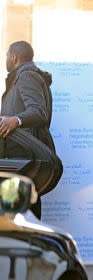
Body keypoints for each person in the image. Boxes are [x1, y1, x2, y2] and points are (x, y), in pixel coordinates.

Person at [1, 41, 55, 219]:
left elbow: (39, 112)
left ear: (13, 57)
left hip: (22, 159)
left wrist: (15, 120)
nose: (6, 60)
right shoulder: (24, 76)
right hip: (20, 159)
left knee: (19, 214)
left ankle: (25, 245)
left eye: (7, 56)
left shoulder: (26, 76)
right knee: (20, 210)